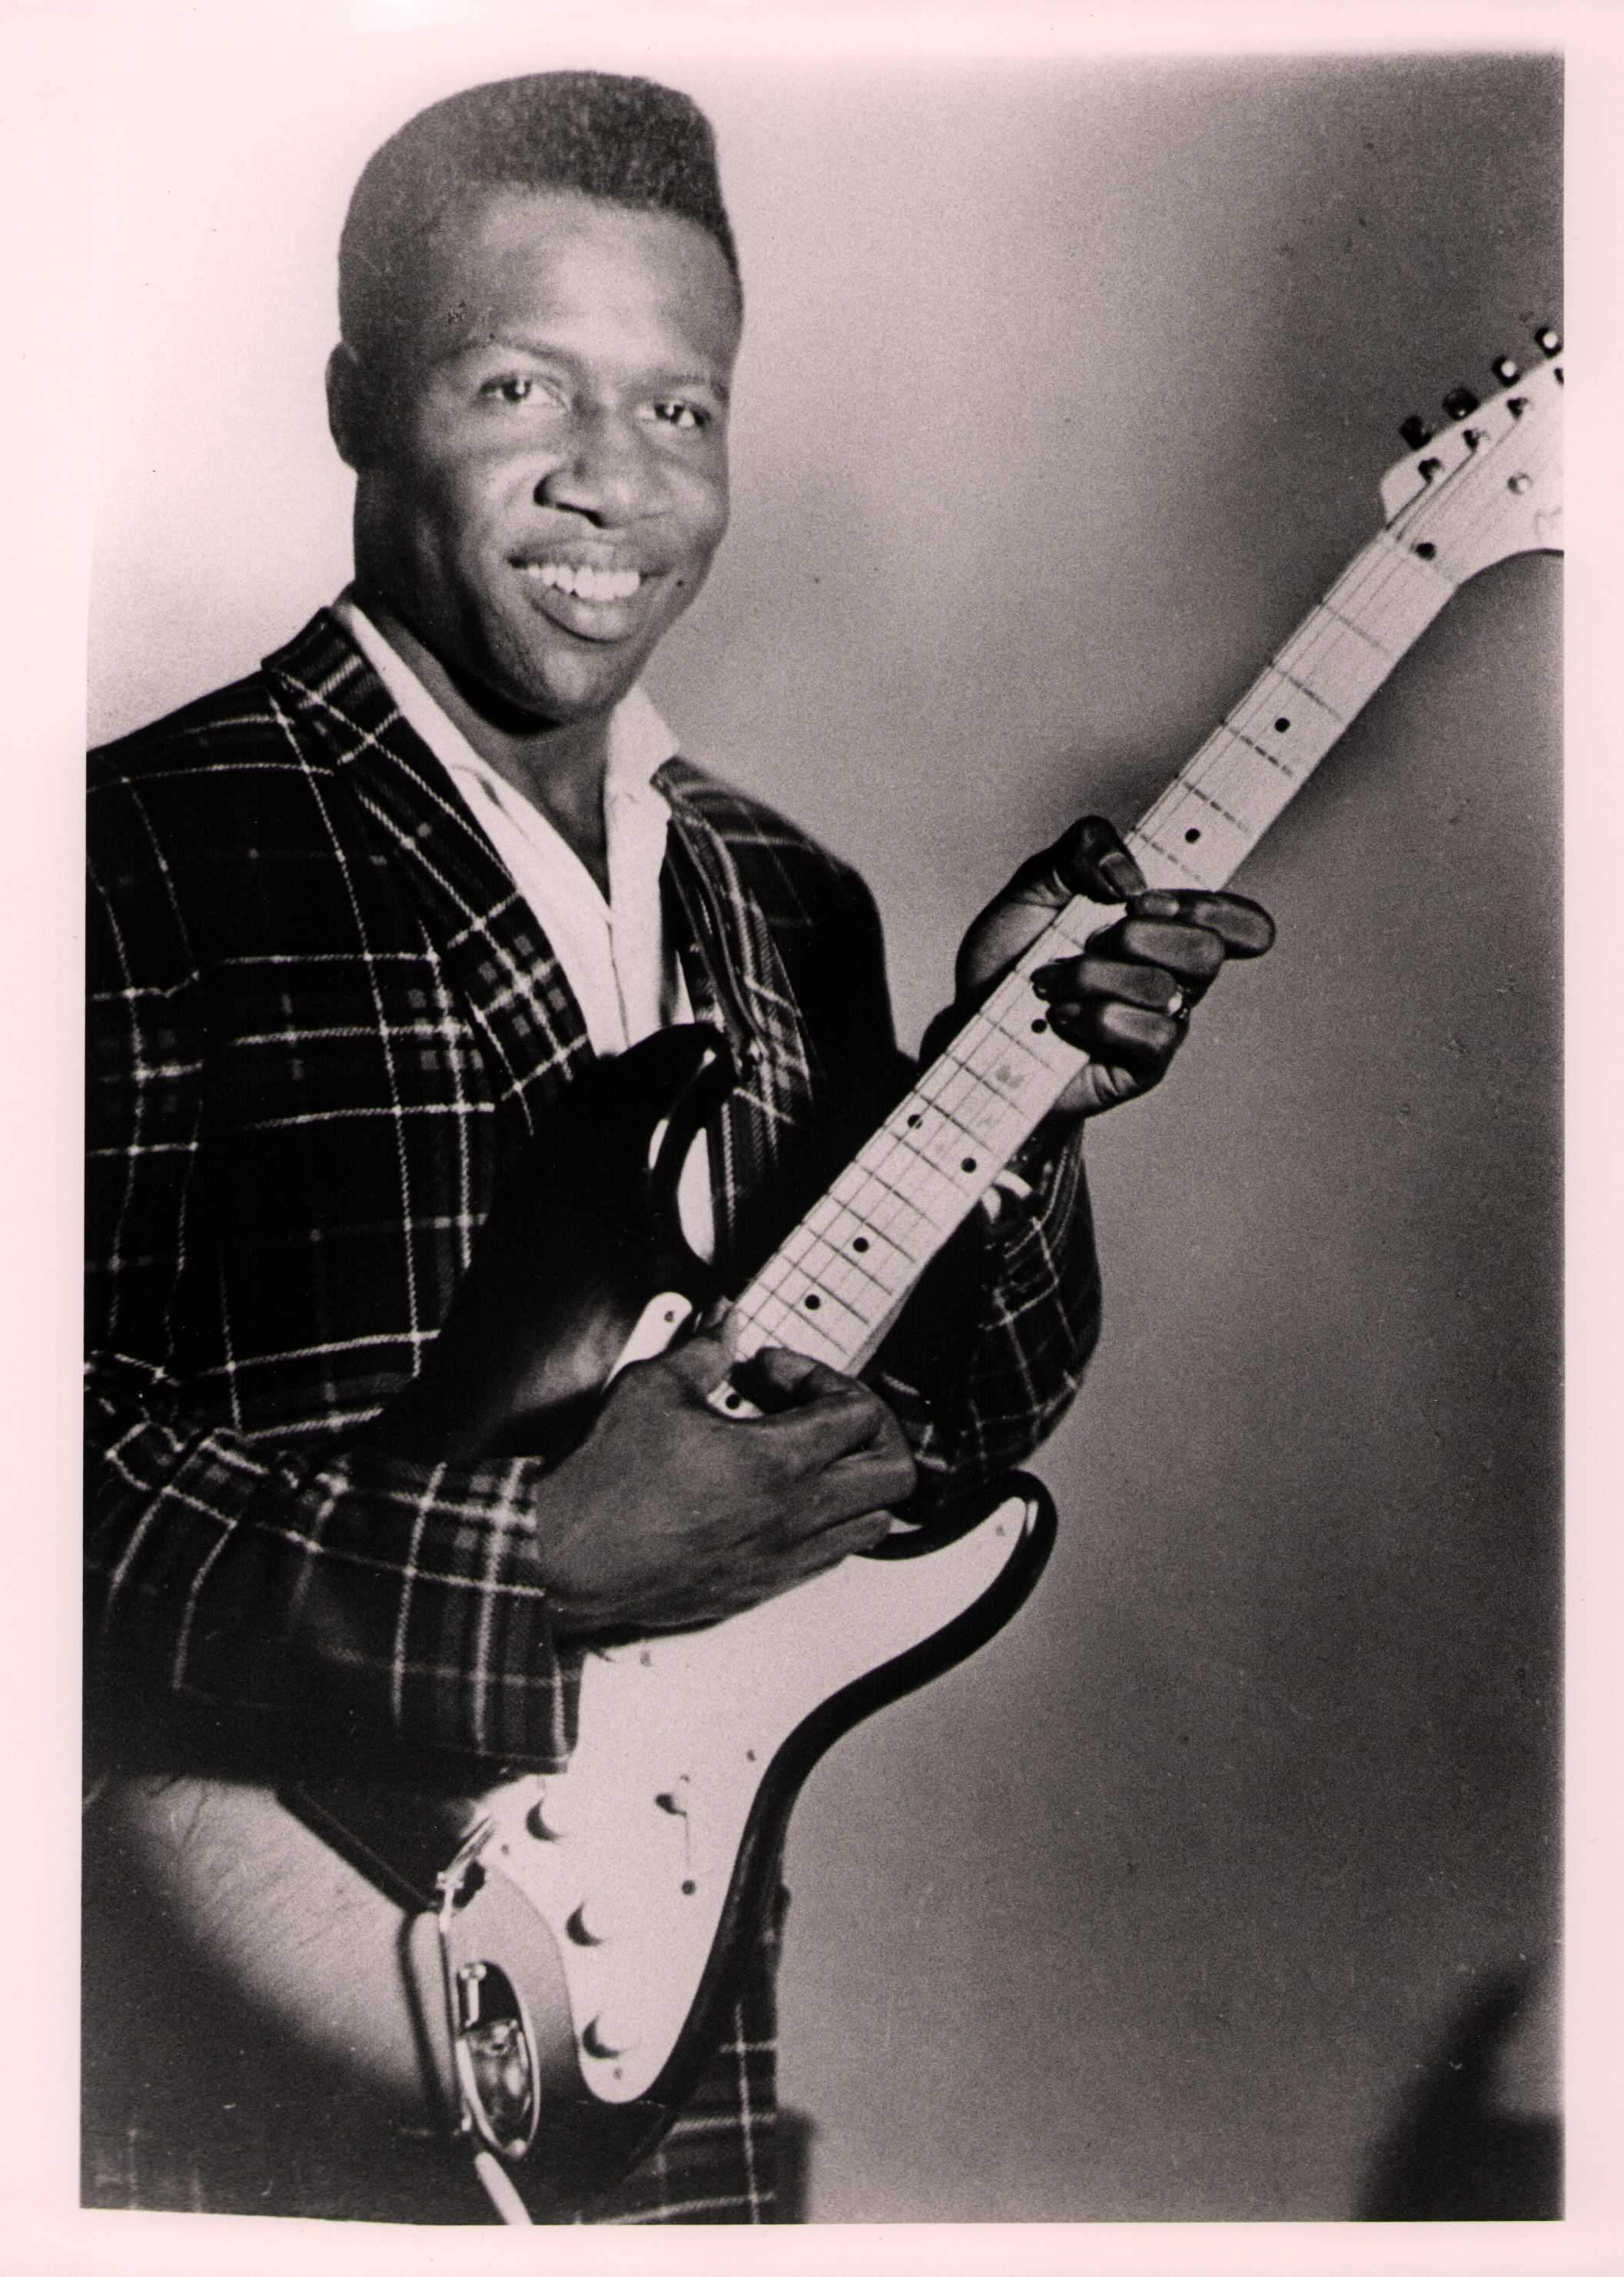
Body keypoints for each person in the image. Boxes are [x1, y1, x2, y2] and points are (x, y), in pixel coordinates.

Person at [82, 71, 1274, 2226]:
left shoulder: (780, 894)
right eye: (521, 382)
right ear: (356, 401)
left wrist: (999, 1106)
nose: (608, 484)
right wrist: (523, 1570)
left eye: (682, 409)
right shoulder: (119, 860)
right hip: (244, 2076)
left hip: (672, 2052)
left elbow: (932, 1434)